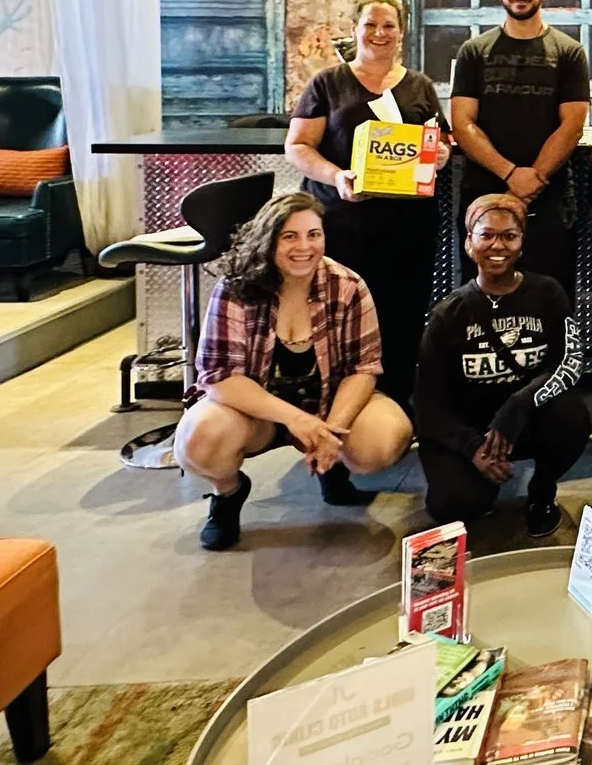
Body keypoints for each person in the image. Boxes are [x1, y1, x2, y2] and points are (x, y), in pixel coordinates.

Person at [175, 192, 414, 550]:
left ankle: (332, 466)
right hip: (256, 415)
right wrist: (298, 421)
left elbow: (363, 367)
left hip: (327, 403)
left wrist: (330, 432)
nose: (304, 247)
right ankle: (227, 494)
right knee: (198, 440)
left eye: (313, 235)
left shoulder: (347, 285)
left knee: (385, 438)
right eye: (290, 236)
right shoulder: (236, 288)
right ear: (268, 240)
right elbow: (219, 377)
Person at [284, 0, 444, 405]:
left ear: (401, 32)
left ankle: (395, 405)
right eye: (370, 24)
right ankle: (335, 404)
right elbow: (297, 146)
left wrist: (440, 154)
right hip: (342, 225)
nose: (379, 33)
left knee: (402, 316)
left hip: (408, 228)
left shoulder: (419, 86)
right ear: (354, 29)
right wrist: (336, 177)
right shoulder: (328, 83)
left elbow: (439, 140)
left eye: (388, 25)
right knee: (339, 315)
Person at [413, 194, 590, 537]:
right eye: (487, 235)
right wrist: (472, 447)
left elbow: (570, 361)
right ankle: (481, 485)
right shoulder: (448, 314)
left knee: (570, 416)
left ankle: (541, 492)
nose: (498, 245)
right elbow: (427, 404)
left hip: (524, 419)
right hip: (470, 428)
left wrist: (520, 404)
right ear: (469, 243)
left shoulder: (548, 293)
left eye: (509, 236)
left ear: (522, 243)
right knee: (452, 505)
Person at [449, 0, 592, 291]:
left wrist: (533, 178)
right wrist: (512, 176)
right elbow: (463, 123)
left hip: (549, 197)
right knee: (480, 294)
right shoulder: (473, 52)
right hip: (483, 194)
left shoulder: (569, 52)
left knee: (551, 292)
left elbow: (572, 124)